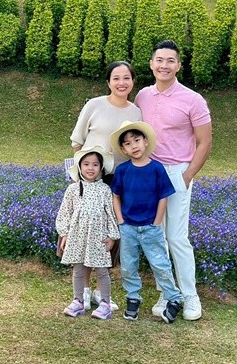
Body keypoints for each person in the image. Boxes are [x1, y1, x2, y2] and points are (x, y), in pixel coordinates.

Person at [134, 40, 213, 321]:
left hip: (176, 171)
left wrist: (188, 175)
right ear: (151, 63)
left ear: (179, 65)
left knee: (177, 237)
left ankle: (190, 295)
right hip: (148, 173)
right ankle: (167, 293)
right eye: (159, 60)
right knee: (156, 237)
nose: (164, 65)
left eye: (170, 61)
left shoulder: (193, 99)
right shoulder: (142, 96)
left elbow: (205, 142)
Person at [68, 61, 141, 309]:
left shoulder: (135, 112)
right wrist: (82, 173)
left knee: (109, 236)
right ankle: (84, 292)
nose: (121, 83)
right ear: (108, 82)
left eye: (126, 78)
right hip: (91, 176)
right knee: (84, 232)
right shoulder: (94, 105)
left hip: (118, 180)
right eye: (116, 78)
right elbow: (77, 141)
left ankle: (102, 291)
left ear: (133, 81)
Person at [110, 120, 185, 323]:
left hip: (151, 227)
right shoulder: (123, 170)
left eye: (136, 140)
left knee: (160, 264)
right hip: (128, 227)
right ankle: (133, 298)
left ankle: (174, 298)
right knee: (128, 266)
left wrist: (157, 221)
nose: (133, 146)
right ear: (123, 149)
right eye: (127, 143)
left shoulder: (156, 168)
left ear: (145, 141)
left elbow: (164, 195)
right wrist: (121, 220)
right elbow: (115, 195)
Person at [55, 145, 120, 320]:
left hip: (98, 237)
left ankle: (105, 303)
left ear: (101, 168)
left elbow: (110, 214)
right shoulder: (73, 190)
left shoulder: (105, 190)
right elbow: (64, 212)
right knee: (78, 269)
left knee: (101, 270)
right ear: (79, 167)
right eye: (86, 164)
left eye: (95, 165)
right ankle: (78, 301)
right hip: (77, 236)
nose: (90, 168)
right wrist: (64, 234)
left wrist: (112, 236)